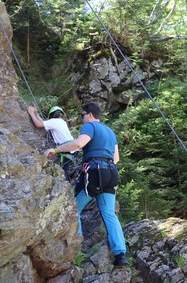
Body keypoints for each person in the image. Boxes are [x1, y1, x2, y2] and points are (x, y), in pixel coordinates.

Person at [44, 102, 128, 267]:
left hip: (95, 171)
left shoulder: (90, 126)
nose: (82, 119)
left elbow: (78, 144)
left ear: (89, 114)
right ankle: (121, 255)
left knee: (75, 208)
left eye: (82, 115)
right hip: (111, 173)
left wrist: (55, 150)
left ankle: (78, 249)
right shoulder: (110, 132)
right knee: (109, 214)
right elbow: (116, 158)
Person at [27, 105, 77, 181]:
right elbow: (44, 123)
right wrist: (36, 115)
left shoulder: (55, 121)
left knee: (63, 172)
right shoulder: (62, 122)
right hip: (72, 148)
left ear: (51, 116)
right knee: (65, 169)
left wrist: (32, 114)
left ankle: (68, 185)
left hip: (67, 149)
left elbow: (38, 124)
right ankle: (71, 179)